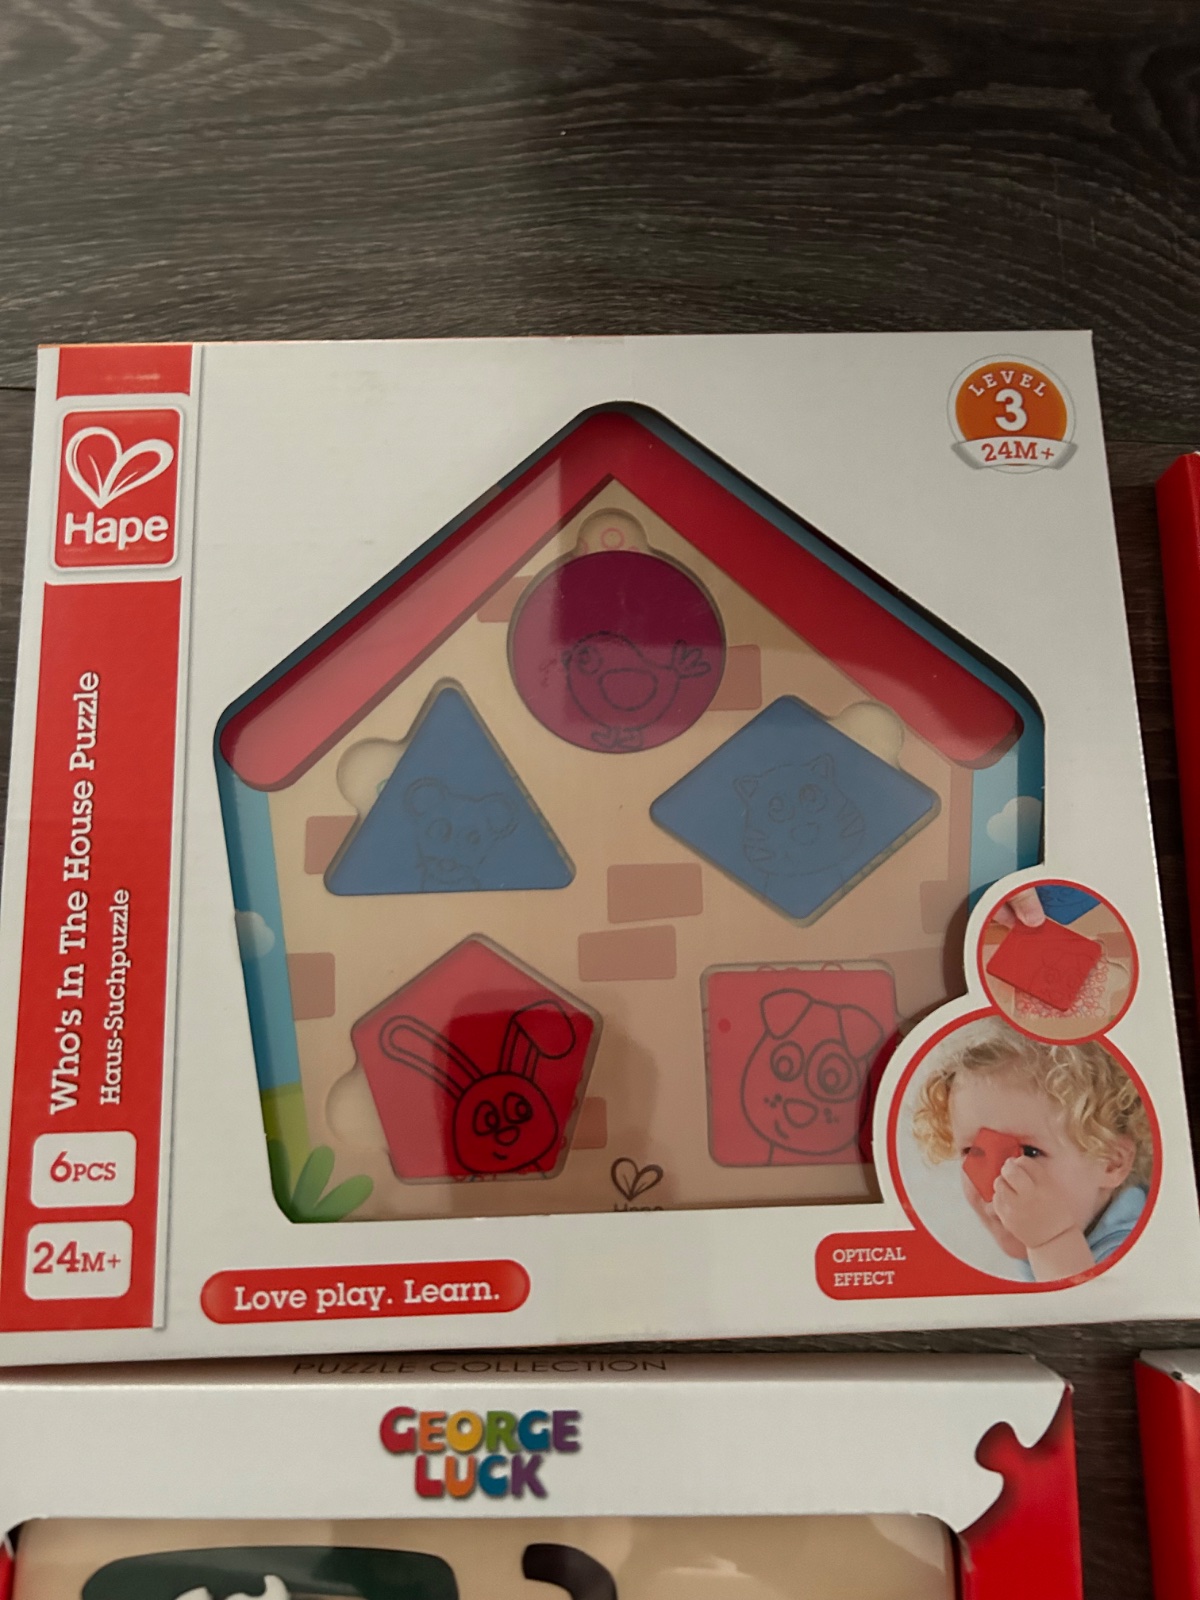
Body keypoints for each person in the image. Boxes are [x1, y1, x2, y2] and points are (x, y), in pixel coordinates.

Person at [911, 1019, 1151, 1282]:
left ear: (1111, 1162)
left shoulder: (1136, 1252)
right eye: (973, 1151)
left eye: (1029, 1152)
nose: (993, 1186)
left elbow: (1082, 1306)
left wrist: (1051, 1242)